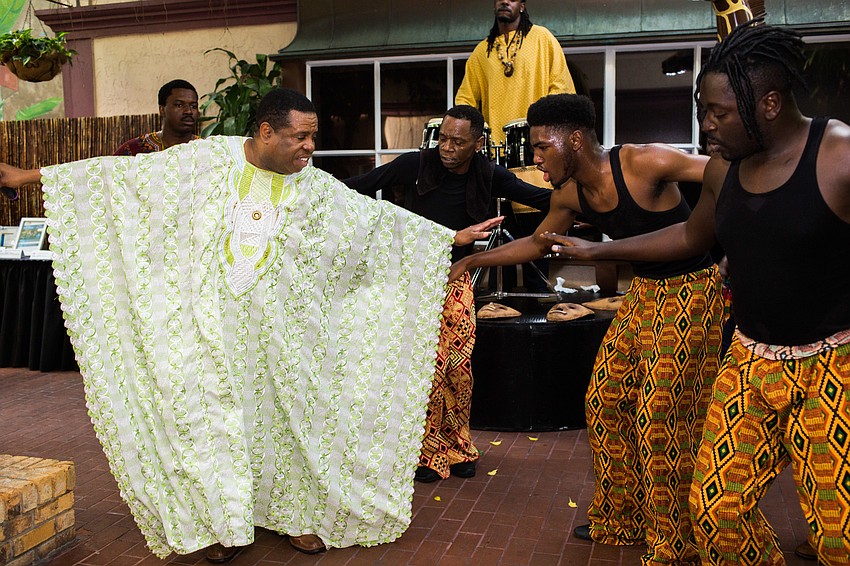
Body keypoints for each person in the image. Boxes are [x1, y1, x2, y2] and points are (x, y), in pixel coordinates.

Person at [0, 88, 500, 563]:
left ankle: (297, 516)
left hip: (286, 340)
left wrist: (449, 239)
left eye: (313, 137)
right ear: (265, 132)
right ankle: (225, 526)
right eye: (300, 136)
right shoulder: (206, 160)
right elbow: (119, 178)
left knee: (294, 426)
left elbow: (374, 223)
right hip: (213, 338)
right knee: (216, 429)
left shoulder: (315, 187)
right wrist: (25, 177)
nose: (310, 147)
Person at [541, 22, 850, 565]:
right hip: (750, 360)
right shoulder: (726, 169)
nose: (705, 125)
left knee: (839, 539)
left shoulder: (838, 155)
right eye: (702, 110)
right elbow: (690, 235)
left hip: (835, 365)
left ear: (770, 104)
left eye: (718, 113)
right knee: (715, 512)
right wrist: (595, 251)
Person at [450, 93, 725, 565]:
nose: (535, 159)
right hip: (645, 292)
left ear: (575, 140)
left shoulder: (644, 162)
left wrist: (730, 249)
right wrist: (473, 260)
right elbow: (538, 244)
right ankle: (622, 517)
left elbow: (726, 173)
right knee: (605, 400)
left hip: (694, 290)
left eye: (542, 147)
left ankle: (676, 540)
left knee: (660, 417)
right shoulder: (570, 194)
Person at [343, 104, 551, 483]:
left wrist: (591, 203)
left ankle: (458, 447)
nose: (447, 148)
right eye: (443, 138)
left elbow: (541, 198)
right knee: (422, 369)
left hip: (455, 282)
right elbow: (356, 187)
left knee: (457, 369)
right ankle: (423, 451)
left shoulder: (488, 173)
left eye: (458, 141)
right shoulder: (414, 165)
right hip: (410, 282)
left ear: (478, 143)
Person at [455, 0, 574, 150]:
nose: (505, 2)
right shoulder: (481, 52)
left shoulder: (542, 38)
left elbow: (562, 89)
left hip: (539, 145)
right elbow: (465, 100)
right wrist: (478, 130)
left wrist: (544, 128)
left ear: (522, 6)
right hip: (497, 149)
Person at [113, 79, 200, 156]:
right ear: (162, 110)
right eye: (179, 105)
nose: (188, 111)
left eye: (193, 106)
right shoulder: (133, 150)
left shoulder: (205, 150)